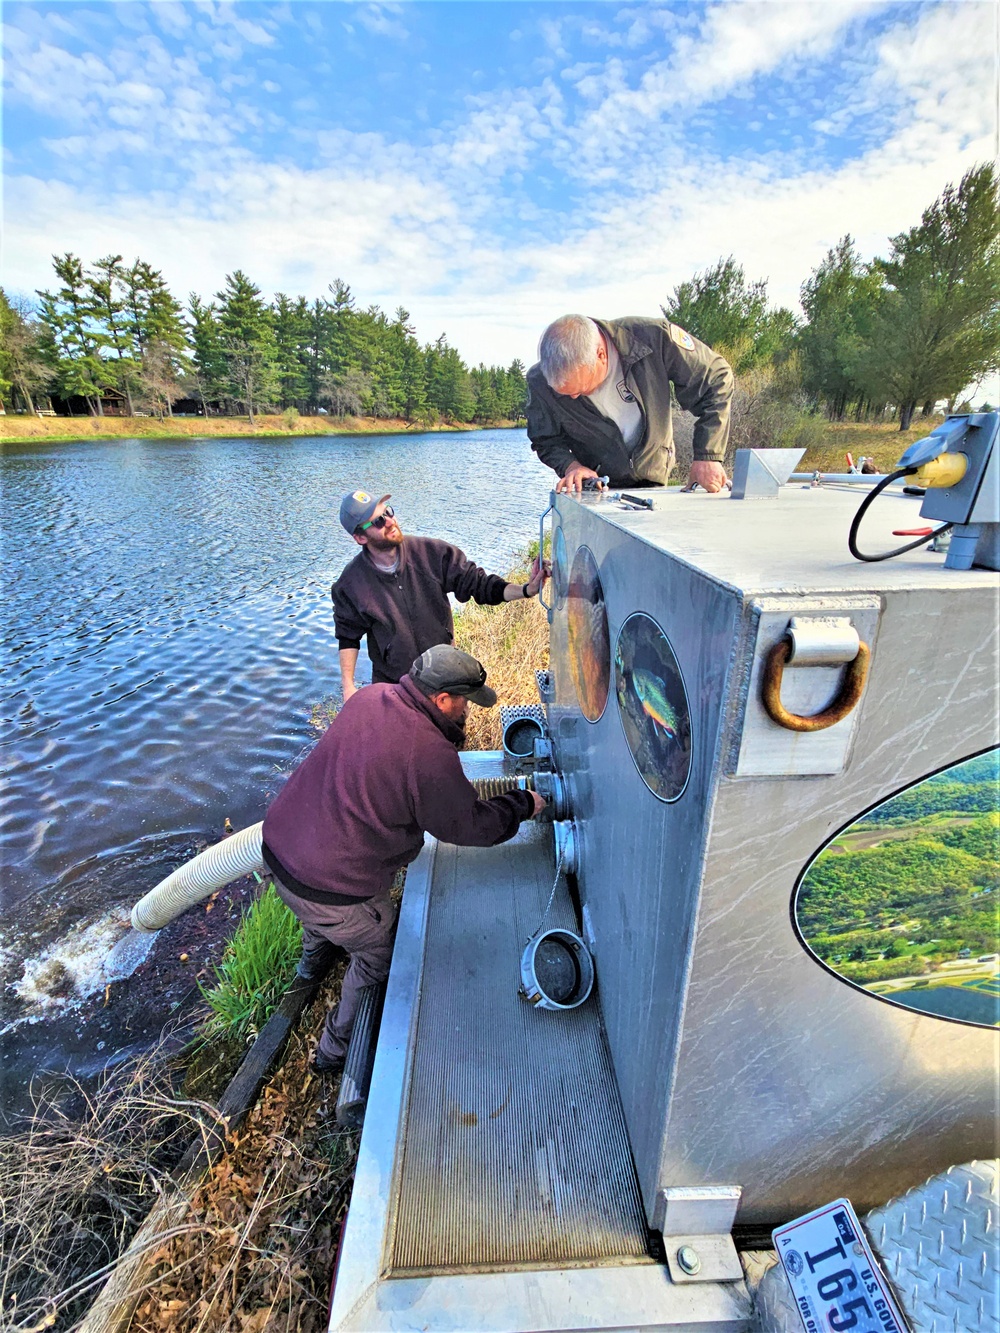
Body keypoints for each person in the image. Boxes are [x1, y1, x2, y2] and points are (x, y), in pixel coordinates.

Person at [260, 644, 547, 1073]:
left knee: (315, 907)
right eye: (465, 700)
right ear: (442, 699)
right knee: (379, 953)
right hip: (330, 888)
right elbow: (469, 827)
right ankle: (332, 1053)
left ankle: (312, 963)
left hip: (281, 852)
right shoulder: (427, 753)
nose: (469, 709)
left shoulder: (371, 697)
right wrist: (523, 804)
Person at [332, 489, 548, 700]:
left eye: (388, 511)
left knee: (451, 733)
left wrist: (527, 589)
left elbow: (479, 584)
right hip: (394, 687)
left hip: (444, 676)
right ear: (360, 537)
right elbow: (348, 637)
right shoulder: (351, 584)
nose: (390, 521)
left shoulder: (432, 553)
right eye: (378, 521)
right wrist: (349, 687)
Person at [526, 314, 734, 495]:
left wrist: (708, 455)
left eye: (580, 390)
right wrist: (571, 467)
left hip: (655, 475)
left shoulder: (653, 338)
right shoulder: (538, 382)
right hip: (598, 489)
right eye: (565, 394)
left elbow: (716, 380)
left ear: (601, 355)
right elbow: (545, 439)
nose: (573, 399)